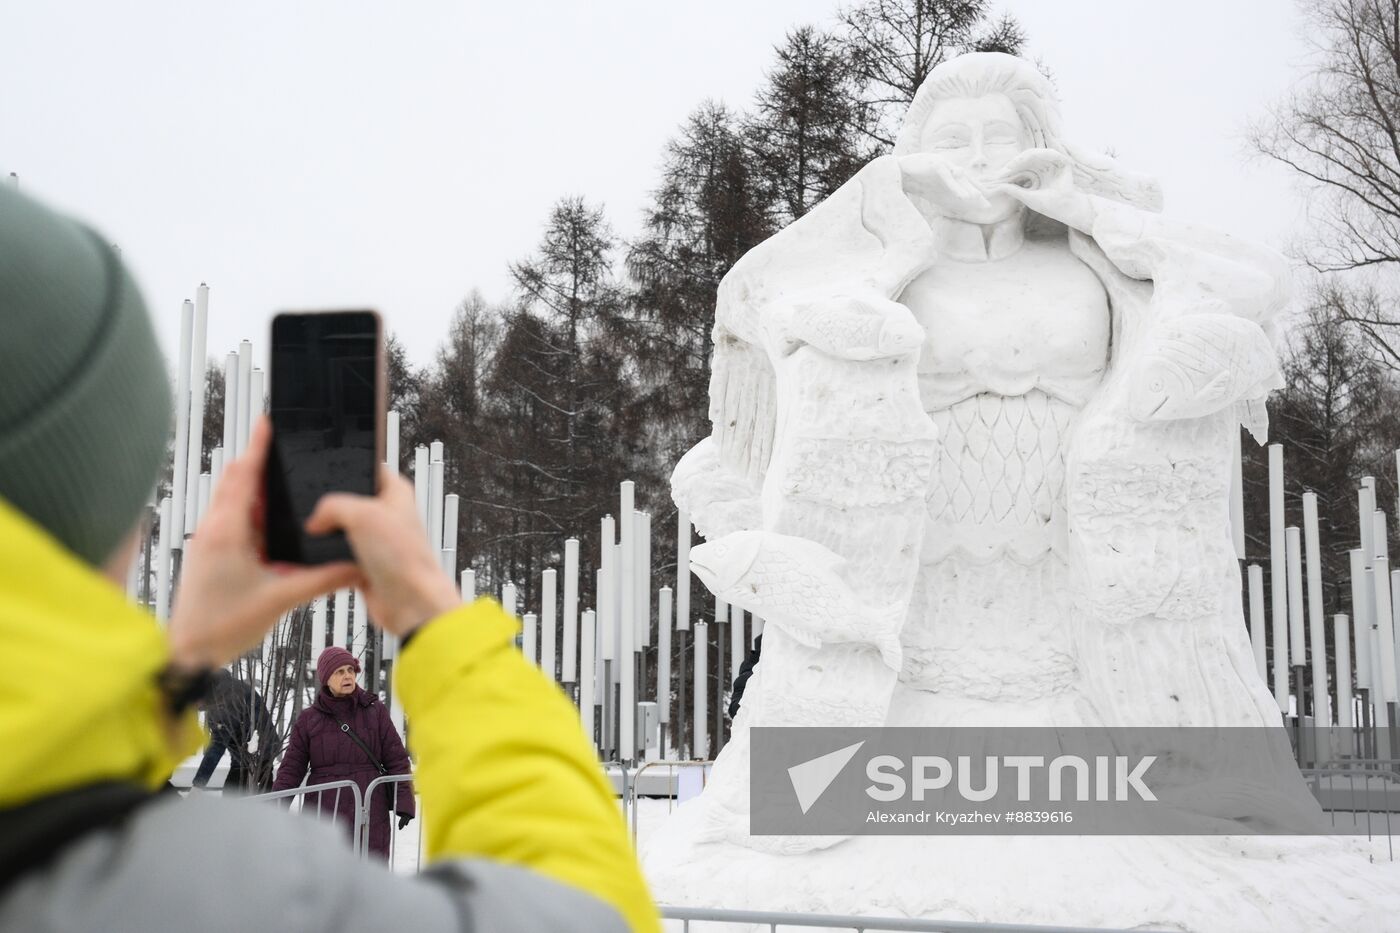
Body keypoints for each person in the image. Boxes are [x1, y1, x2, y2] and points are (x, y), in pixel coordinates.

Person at [0, 183, 658, 932]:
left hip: (364, 834)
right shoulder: (248, 894)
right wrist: (440, 628)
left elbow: (391, 757)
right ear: (105, 505)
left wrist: (175, 674)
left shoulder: (362, 718)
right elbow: (588, 912)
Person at [272, 646, 415, 859]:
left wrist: (404, 801)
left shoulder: (375, 711)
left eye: (350, 670)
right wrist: (274, 809)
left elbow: (396, 758)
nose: (347, 675)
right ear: (326, 678)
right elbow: (291, 769)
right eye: (339, 671)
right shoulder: (308, 720)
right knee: (325, 873)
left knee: (369, 871)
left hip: (369, 808)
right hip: (324, 809)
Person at [191, 670, 279, 793]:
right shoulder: (221, 692)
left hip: (258, 757)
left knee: (239, 802)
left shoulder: (224, 700)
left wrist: (198, 784)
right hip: (245, 756)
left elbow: (217, 746)